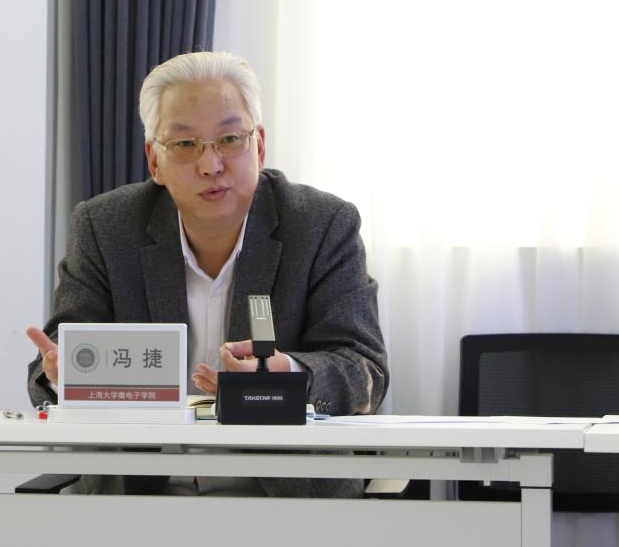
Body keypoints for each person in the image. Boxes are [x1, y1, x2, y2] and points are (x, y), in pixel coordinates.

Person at [26, 51, 387, 497]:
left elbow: (365, 371)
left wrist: (286, 375)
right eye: (184, 144)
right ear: (154, 161)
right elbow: (51, 366)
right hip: (139, 503)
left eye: (230, 139)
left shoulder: (321, 225)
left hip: (286, 505)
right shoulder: (106, 228)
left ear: (259, 146)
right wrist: (64, 375)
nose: (210, 165)